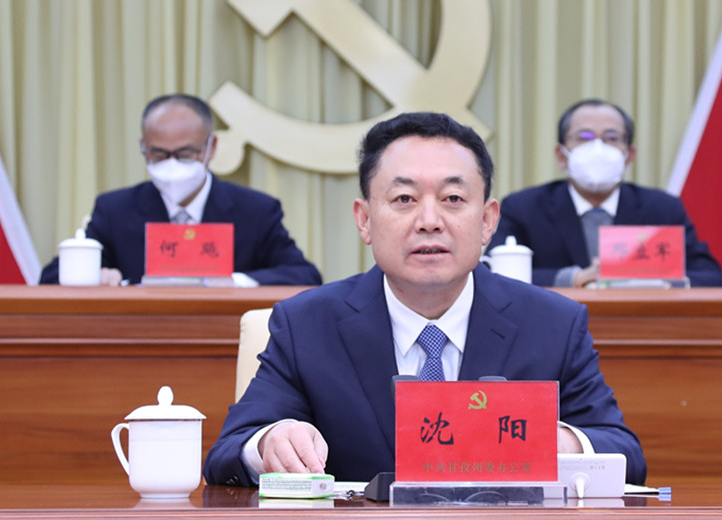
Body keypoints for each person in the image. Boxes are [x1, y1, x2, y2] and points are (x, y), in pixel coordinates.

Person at [203, 111, 646, 487]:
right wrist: (270, 442)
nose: (429, 220)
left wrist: (558, 443)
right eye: (404, 199)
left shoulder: (552, 324)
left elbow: (625, 454)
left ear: (488, 221)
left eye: (453, 198)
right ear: (364, 220)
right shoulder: (307, 324)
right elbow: (227, 454)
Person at [39, 94, 321, 287]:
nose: (172, 164)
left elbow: (304, 276)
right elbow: (50, 277)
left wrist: (235, 282)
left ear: (211, 148)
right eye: (159, 154)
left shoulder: (255, 211)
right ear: (143, 147)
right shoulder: (115, 210)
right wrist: (94, 276)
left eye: (185, 154)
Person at [487, 99, 722, 288]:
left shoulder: (662, 209)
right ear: (561, 156)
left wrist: (653, 281)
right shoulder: (525, 208)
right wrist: (576, 278)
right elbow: (492, 273)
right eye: (584, 137)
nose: (598, 148)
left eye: (611, 138)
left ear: (629, 156)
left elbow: (712, 278)